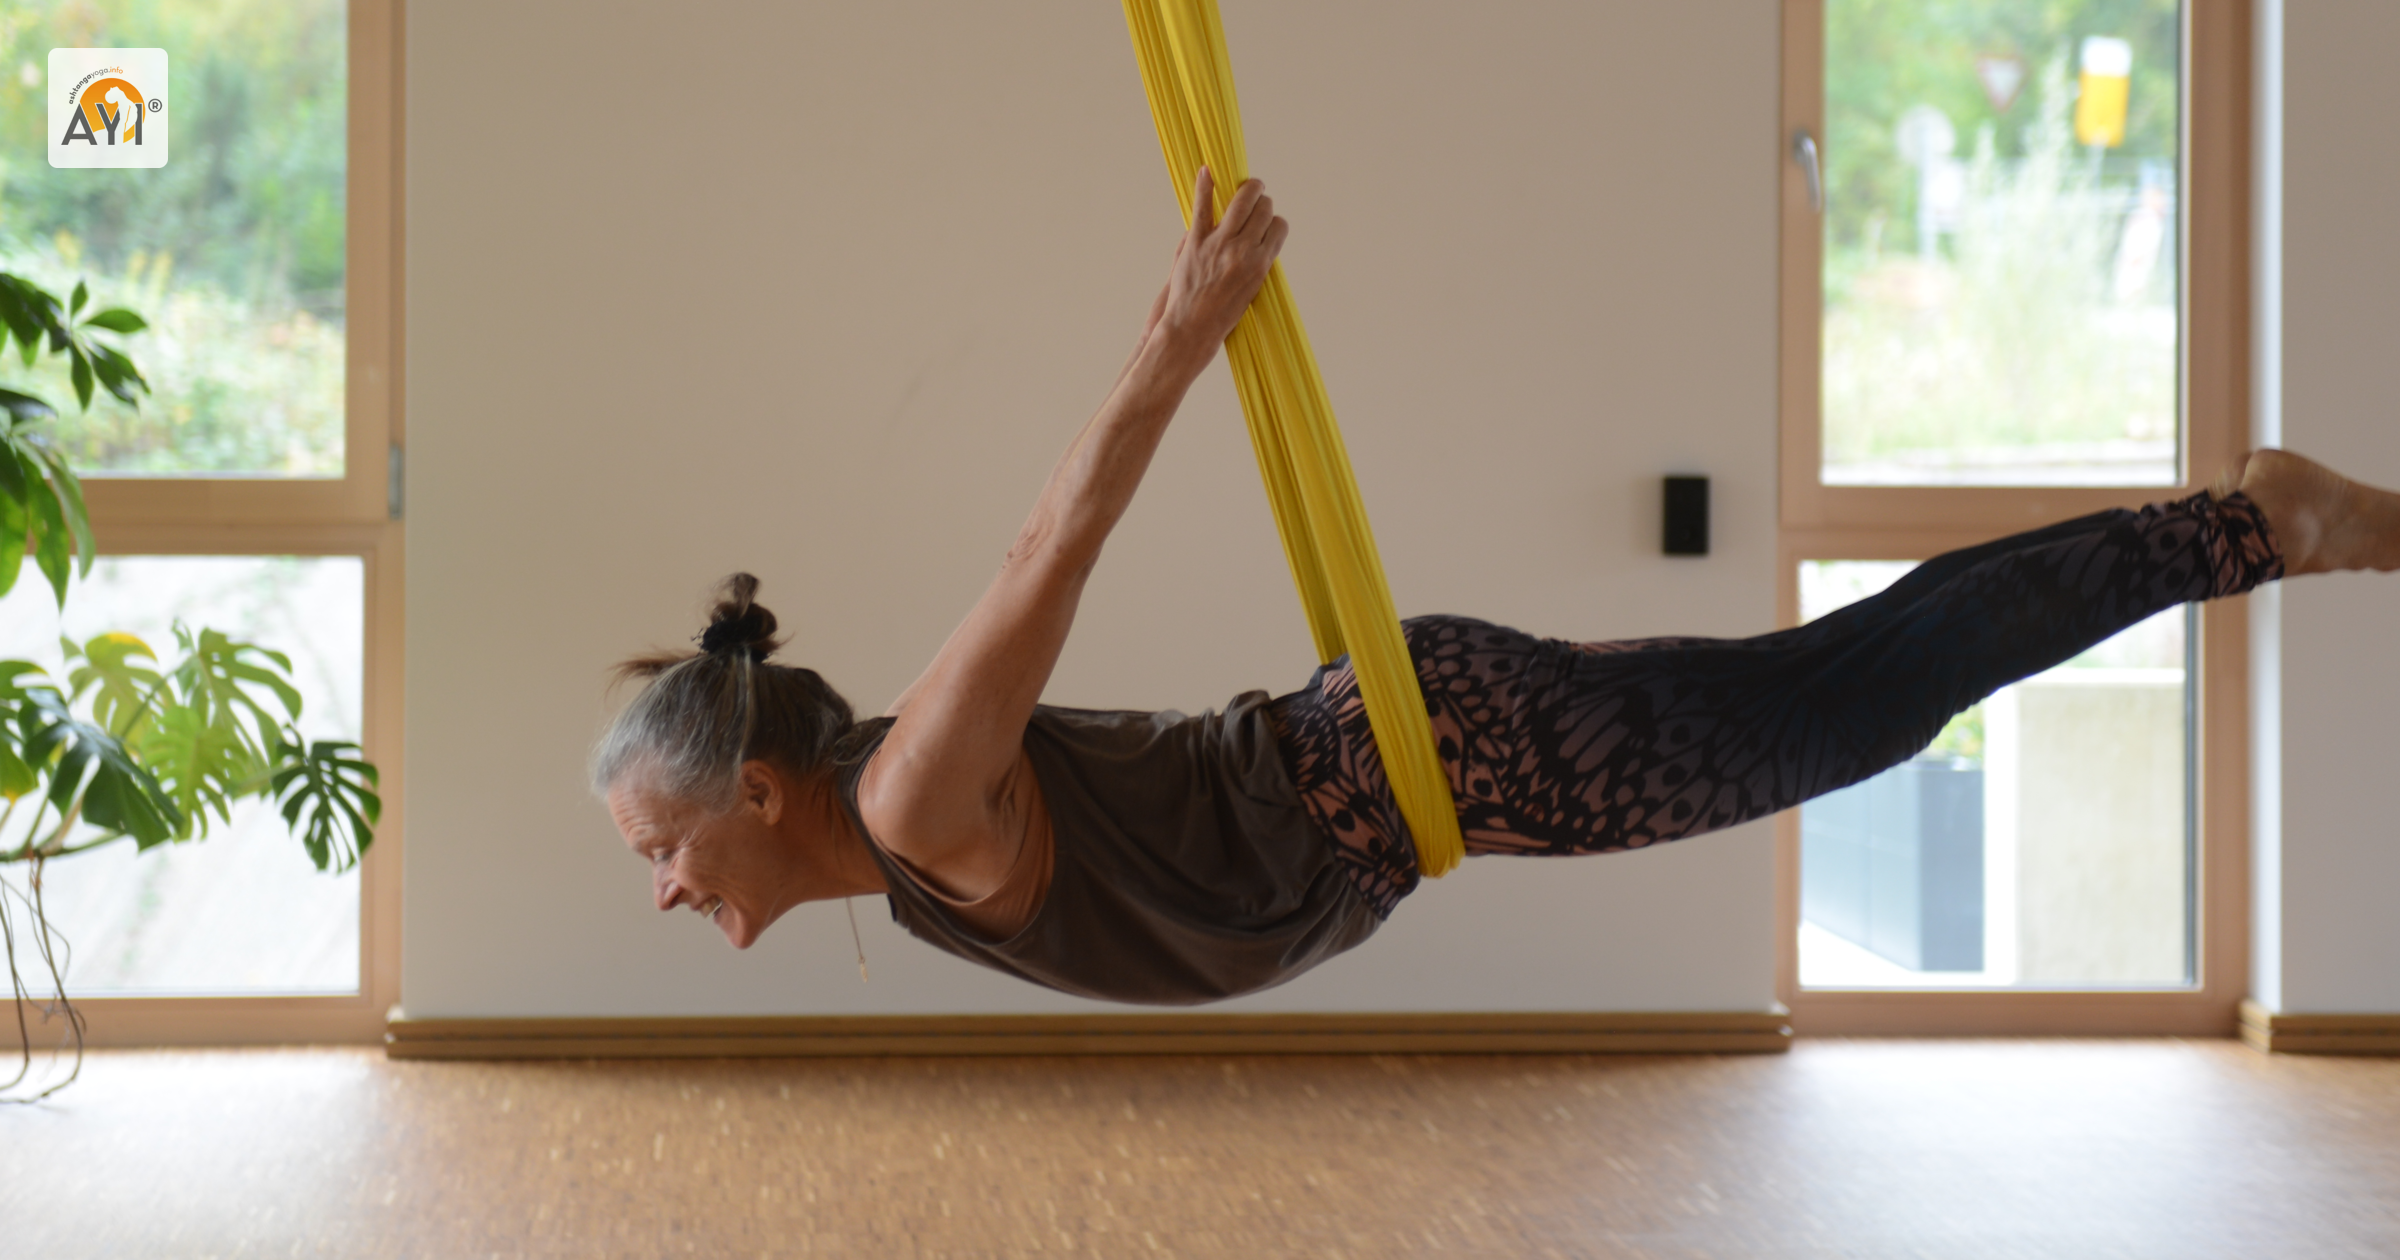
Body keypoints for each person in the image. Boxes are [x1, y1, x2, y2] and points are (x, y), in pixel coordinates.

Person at [593, 171, 2400, 1005]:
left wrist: (1180, 337)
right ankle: (2243, 525)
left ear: (757, 789)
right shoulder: (903, 857)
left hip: (1428, 757)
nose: (665, 891)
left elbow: (1042, 556)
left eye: (662, 850)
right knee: (1855, 686)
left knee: (1862, 699)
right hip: (1420, 771)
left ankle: (2261, 527)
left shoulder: (912, 798)